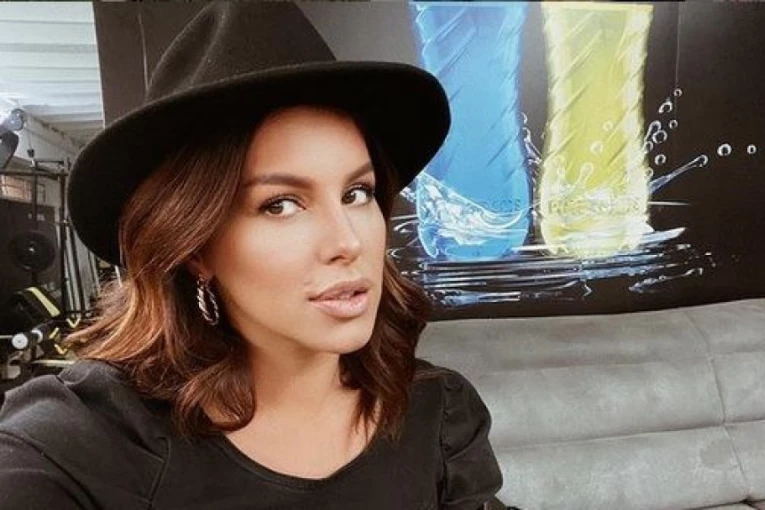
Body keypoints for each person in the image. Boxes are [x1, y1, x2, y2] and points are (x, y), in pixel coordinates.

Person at [0, 3, 503, 509]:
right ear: (196, 248)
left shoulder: (437, 416)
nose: (348, 242)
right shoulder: (86, 443)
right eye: (280, 205)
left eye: (357, 193)